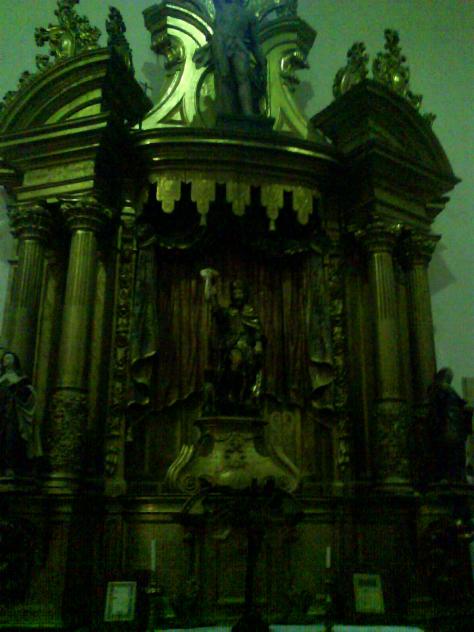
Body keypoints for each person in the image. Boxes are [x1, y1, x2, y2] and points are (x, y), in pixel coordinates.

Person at [201, 270, 264, 413]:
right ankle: (230, 396)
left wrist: (258, 343)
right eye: (235, 293)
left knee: (244, 364)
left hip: (246, 347)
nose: (237, 296)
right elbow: (216, 310)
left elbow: (257, 331)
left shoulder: (249, 311)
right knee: (233, 362)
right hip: (230, 346)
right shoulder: (229, 312)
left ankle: (241, 397)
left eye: (240, 293)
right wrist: (209, 285)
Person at [195, 0, 267, 117]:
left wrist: (262, 62)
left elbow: (256, 44)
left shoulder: (250, 16)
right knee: (223, 75)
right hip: (220, 41)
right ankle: (227, 113)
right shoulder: (221, 5)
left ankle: (247, 112)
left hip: (238, 45)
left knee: (243, 76)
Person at [427, 367, 473, 483]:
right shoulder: (441, 388)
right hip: (448, 424)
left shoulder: (442, 389)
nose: (450, 378)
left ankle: (455, 477)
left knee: (454, 451)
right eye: (449, 376)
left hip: (452, 423)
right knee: (450, 451)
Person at [0, 351, 40, 477]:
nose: (7, 360)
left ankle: (10, 466)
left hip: (13, 413)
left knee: (11, 438)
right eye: (5, 358)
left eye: (9, 358)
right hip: (2, 412)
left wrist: (16, 389)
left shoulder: (20, 378)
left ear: (15, 361)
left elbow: (29, 394)